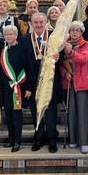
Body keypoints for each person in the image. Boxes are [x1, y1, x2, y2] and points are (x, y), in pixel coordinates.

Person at [20, 12, 61, 153]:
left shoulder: (53, 37)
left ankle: (52, 139)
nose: (38, 25)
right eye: (35, 22)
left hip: (50, 81)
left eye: (41, 22)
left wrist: (58, 57)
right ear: (31, 23)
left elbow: (61, 61)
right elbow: (24, 63)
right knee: (35, 111)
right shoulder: (25, 40)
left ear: (46, 23)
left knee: (50, 112)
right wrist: (29, 85)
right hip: (33, 82)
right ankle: (38, 138)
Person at [59, 21, 88, 154]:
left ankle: (84, 142)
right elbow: (61, 63)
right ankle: (73, 139)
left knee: (83, 113)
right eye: (72, 30)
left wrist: (71, 52)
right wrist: (65, 72)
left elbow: (84, 58)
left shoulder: (86, 44)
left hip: (83, 82)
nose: (74, 32)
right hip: (70, 81)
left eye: (77, 30)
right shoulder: (64, 44)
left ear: (81, 32)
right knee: (72, 111)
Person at [0, 25, 33, 152]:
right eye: (6, 34)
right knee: (8, 114)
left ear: (16, 35)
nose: (9, 36)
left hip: (19, 87)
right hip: (7, 89)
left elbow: (28, 68)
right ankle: (11, 139)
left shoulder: (23, 49)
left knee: (17, 115)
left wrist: (28, 88)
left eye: (11, 34)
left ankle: (18, 141)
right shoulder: (4, 51)